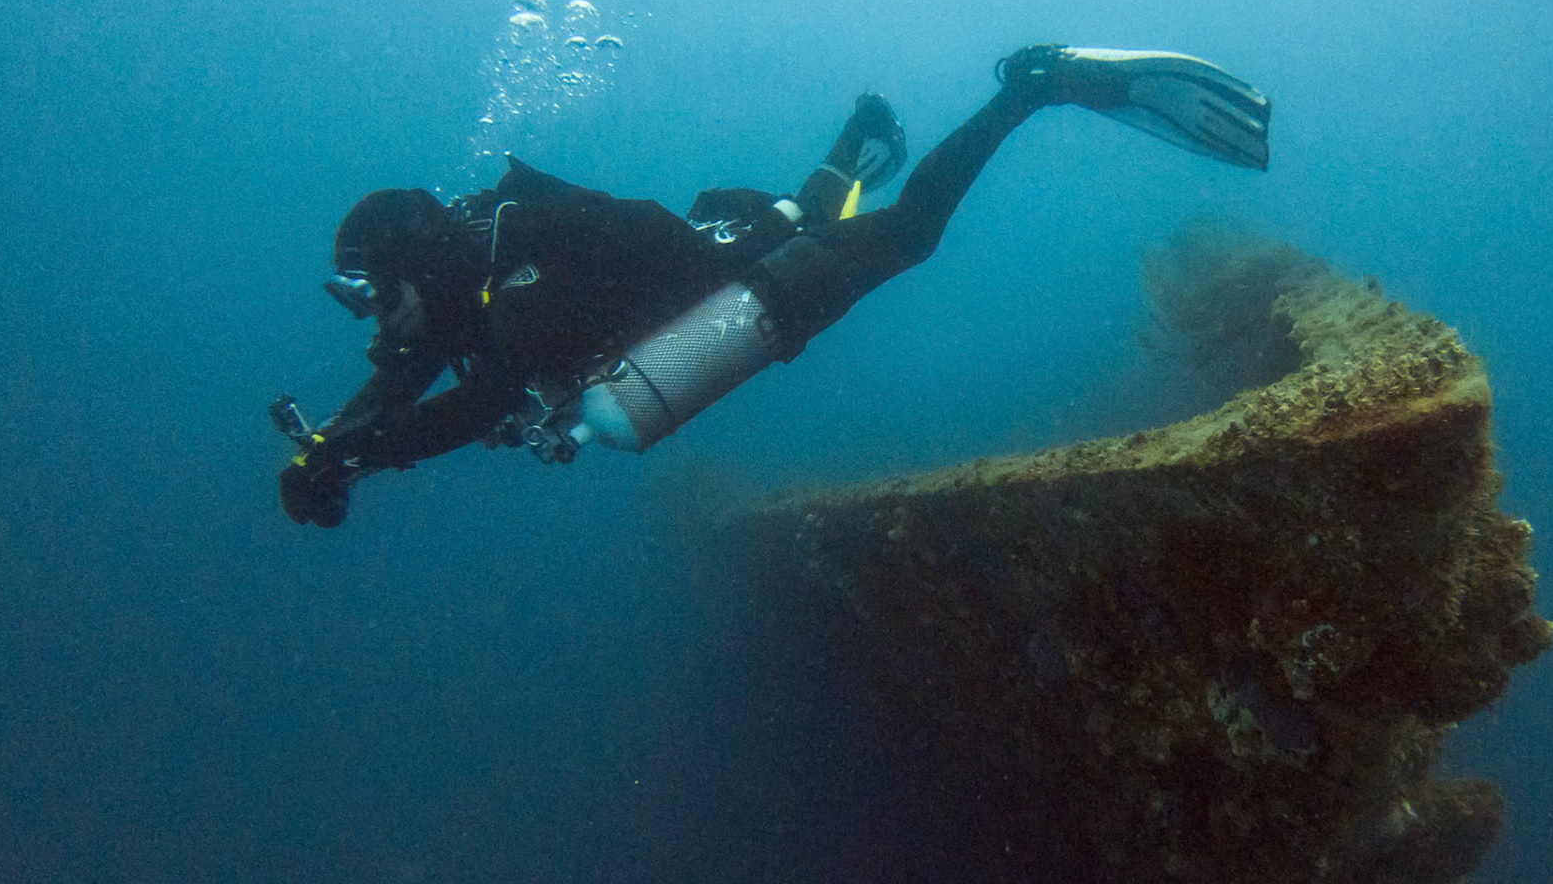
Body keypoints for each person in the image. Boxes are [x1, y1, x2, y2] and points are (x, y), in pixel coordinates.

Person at [276, 44, 1271, 528]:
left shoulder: (512, 275)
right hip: (713, 279)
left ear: (410, 265)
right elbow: (401, 385)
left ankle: (1032, 87)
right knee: (796, 216)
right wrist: (336, 451)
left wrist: (368, 451)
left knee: (905, 234)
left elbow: (474, 403)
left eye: (371, 294)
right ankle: (853, 148)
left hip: (734, 279)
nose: (377, 321)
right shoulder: (453, 302)